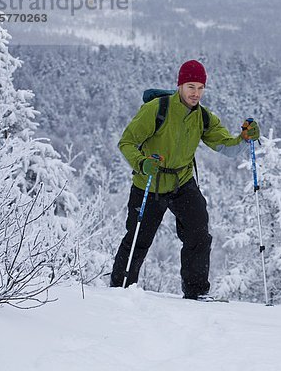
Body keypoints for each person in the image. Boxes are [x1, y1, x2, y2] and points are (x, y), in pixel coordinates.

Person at [110, 59, 260, 300]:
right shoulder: (156, 109)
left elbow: (227, 148)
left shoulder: (203, 117)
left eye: (201, 87)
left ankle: (196, 292)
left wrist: (243, 138)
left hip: (182, 182)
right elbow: (126, 142)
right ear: (179, 85)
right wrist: (142, 163)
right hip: (150, 182)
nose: (196, 93)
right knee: (138, 238)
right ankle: (119, 290)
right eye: (191, 86)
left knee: (199, 234)